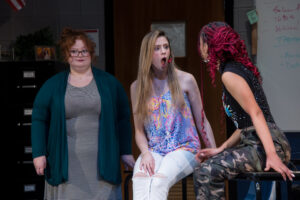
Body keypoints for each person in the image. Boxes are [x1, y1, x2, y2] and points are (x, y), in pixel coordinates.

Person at [31, 27, 135, 200]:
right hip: (66, 166)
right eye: (74, 51)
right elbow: (39, 119)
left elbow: (123, 118)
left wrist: (125, 151)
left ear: (91, 53)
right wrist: (38, 154)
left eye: (84, 51)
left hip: (103, 166)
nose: (79, 55)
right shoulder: (52, 85)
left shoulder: (110, 83)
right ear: (66, 55)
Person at [193, 21, 293, 200]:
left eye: (201, 43)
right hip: (258, 142)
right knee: (206, 168)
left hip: (267, 145)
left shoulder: (230, 74)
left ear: (209, 46)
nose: (200, 47)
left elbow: (256, 113)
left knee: (205, 171)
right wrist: (221, 149)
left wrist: (271, 154)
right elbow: (244, 125)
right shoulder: (235, 69)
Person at [130, 30, 216, 200]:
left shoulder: (185, 79)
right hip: (154, 149)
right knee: (140, 180)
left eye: (166, 47)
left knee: (158, 182)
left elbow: (202, 120)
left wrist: (215, 151)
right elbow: (139, 131)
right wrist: (145, 153)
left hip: (185, 148)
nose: (163, 52)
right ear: (147, 55)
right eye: (157, 48)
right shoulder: (137, 87)